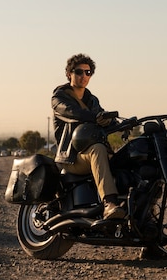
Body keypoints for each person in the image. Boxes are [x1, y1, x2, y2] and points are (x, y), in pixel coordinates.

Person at [51, 53, 125, 221]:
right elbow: (71, 112)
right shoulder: (59, 97)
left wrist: (120, 123)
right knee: (98, 149)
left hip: (87, 152)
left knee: (129, 156)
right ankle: (109, 204)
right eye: (79, 72)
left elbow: (103, 117)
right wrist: (95, 118)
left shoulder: (92, 100)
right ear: (69, 74)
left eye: (88, 72)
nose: (84, 76)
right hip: (71, 157)